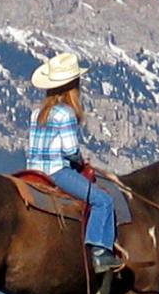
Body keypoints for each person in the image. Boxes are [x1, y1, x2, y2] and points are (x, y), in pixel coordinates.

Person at [27, 52, 119, 271]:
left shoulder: (36, 113)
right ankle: (98, 251)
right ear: (73, 87)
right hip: (56, 172)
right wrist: (80, 161)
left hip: (32, 171)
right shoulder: (66, 113)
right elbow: (70, 151)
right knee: (103, 201)